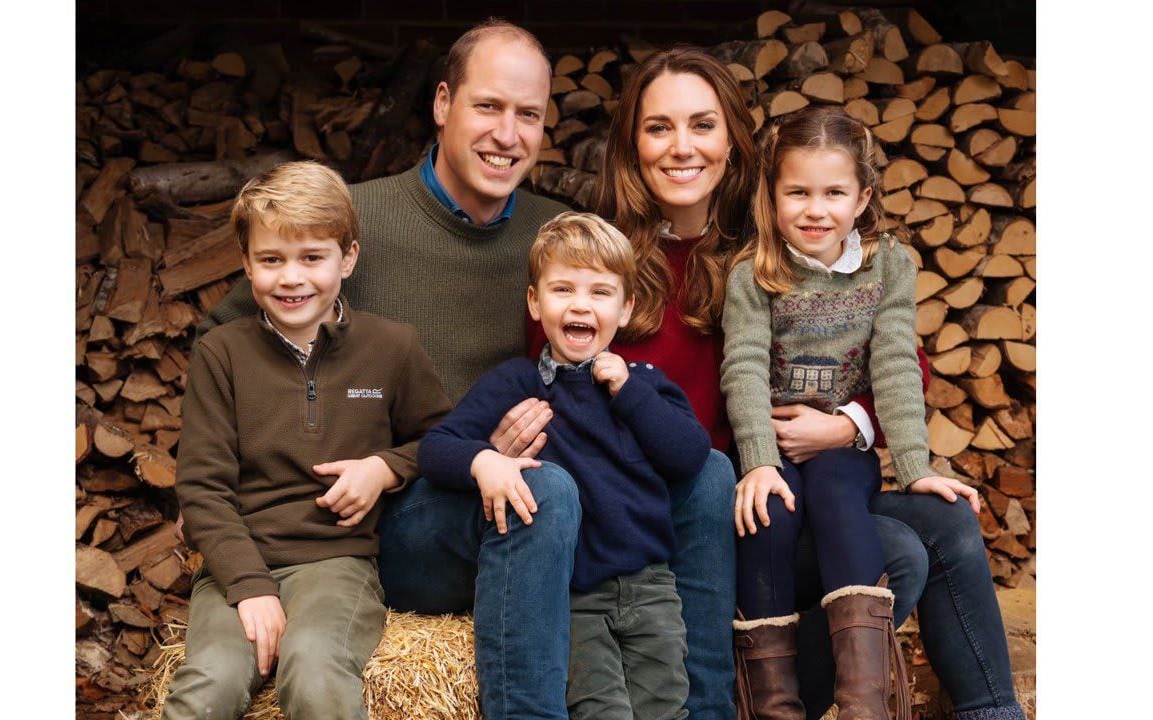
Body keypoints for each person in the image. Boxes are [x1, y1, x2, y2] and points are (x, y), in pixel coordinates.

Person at [197, 21, 734, 720]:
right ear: (443, 102)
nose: (507, 134)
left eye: (528, 115)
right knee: (548, 493)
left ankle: (709, 708)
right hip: (405, 519)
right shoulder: (356, 223)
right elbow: (228, 339)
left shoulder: (556, 234)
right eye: (488, 107)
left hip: (537, 499)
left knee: (708, 475)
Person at [523, 47, 930, 719]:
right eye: (659, 128)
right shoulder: (596, 261)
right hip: (655, 519)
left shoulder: (780, 239)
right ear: (632, 144)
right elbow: (553, 377)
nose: (682, 147)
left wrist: (846, 424)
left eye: (702, 125)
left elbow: (901, 363)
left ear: (733, 141)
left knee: (911, 548)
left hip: (767, 503)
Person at [720, 106, 986, 719]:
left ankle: (863, 702)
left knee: (841, 495)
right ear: (772, 194)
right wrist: (758, 461)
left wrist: (914, 466)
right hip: (772, 449)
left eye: (834, 192)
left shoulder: (888, 266)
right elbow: (743, 367)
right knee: (768, 515)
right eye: (798, 192)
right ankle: (772, 705)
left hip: (844, 451)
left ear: (863, 197)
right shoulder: (754, 273)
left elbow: (894, 363)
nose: (816, 210)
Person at [164, 161, 451, 719]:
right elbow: (200, 489)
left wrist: (386, 467)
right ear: (246, 264)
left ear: (348, 258)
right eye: (271, 260)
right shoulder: (221, 353)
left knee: (315, 666)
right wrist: (250, 587)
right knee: (208, 684)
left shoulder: (392, 347)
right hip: (235, 564)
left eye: (311, 257)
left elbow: (441, 437)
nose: (291, 278)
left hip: (337, 564)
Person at [421, 212, 708, 719]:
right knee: (602, 711)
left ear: (626, 309)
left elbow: (689, 457)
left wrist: (628, 391)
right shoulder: (516, 384)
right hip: (576, 595)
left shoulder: (645, 384)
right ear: (535, 303)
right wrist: (484, 460)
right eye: (563, 290)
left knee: (666, 708)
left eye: (600, 292)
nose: (581, 304)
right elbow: (437, 447)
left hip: (652, 589)